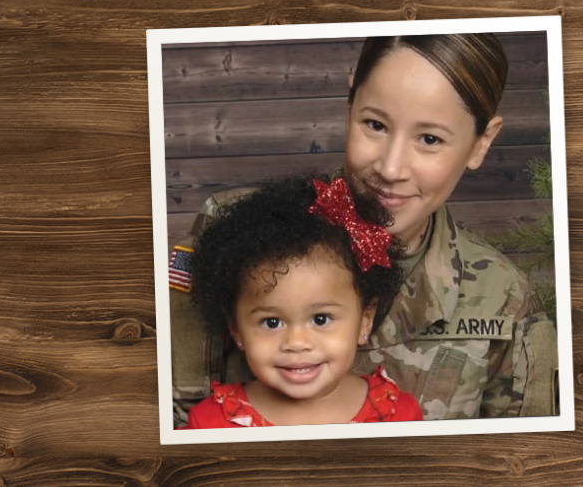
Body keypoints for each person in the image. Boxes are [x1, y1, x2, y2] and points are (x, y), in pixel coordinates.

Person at [170, 33, 558, 425]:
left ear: (480, 144)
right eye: (375, 124)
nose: (390, 169)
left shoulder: (504, 299)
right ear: (349, 103)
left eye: (429, 139)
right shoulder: (233, 234)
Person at [180, 174, 422, 428]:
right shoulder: (208, 423)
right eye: (271, 322)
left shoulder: (399, 416)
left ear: (365, 320)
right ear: (236, 328)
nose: (297, 343)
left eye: (321, 319)